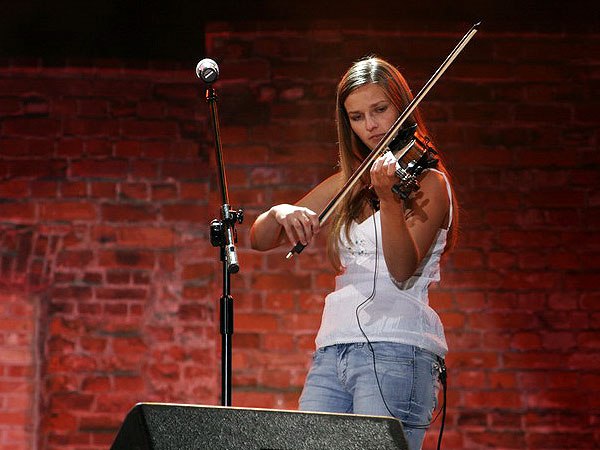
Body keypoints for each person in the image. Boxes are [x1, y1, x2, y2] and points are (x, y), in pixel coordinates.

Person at [249, 56, 458, 450]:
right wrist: (281, 211)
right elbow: (260, 239)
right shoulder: (351, 179)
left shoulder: (430, 181)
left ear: (402, 105)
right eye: (357, 117)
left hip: (396, 348)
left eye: (380, 110)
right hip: (333, 347)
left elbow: (401, 269)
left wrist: (388, 200)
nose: (371, 126)